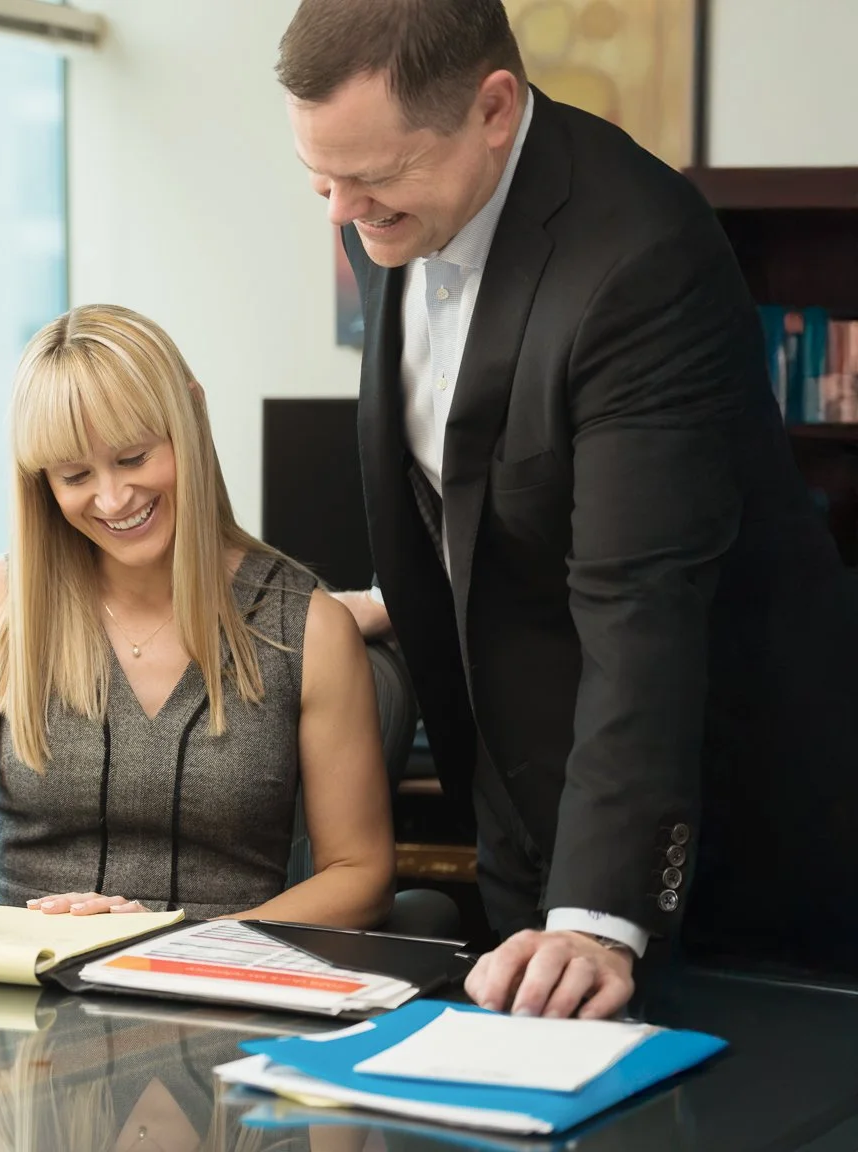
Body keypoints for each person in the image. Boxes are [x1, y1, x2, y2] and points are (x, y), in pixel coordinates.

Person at [278, 0, 858, 1018]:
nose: (336, 210)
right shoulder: (399, 206)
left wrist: (594, 914)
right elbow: (482, 474)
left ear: (493, 108)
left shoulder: (640, 257)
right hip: (522, 821)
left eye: (366, 178)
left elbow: (640, 603)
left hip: (714, 834)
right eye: (319, 177)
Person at [0, 304, 394, 934]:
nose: (111, 499)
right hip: (23, 999)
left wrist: (177, 943)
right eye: (75, 475)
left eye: (134, 458)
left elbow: (361, 877)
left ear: (192, 417)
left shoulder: (308, 626)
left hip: (221, 994)